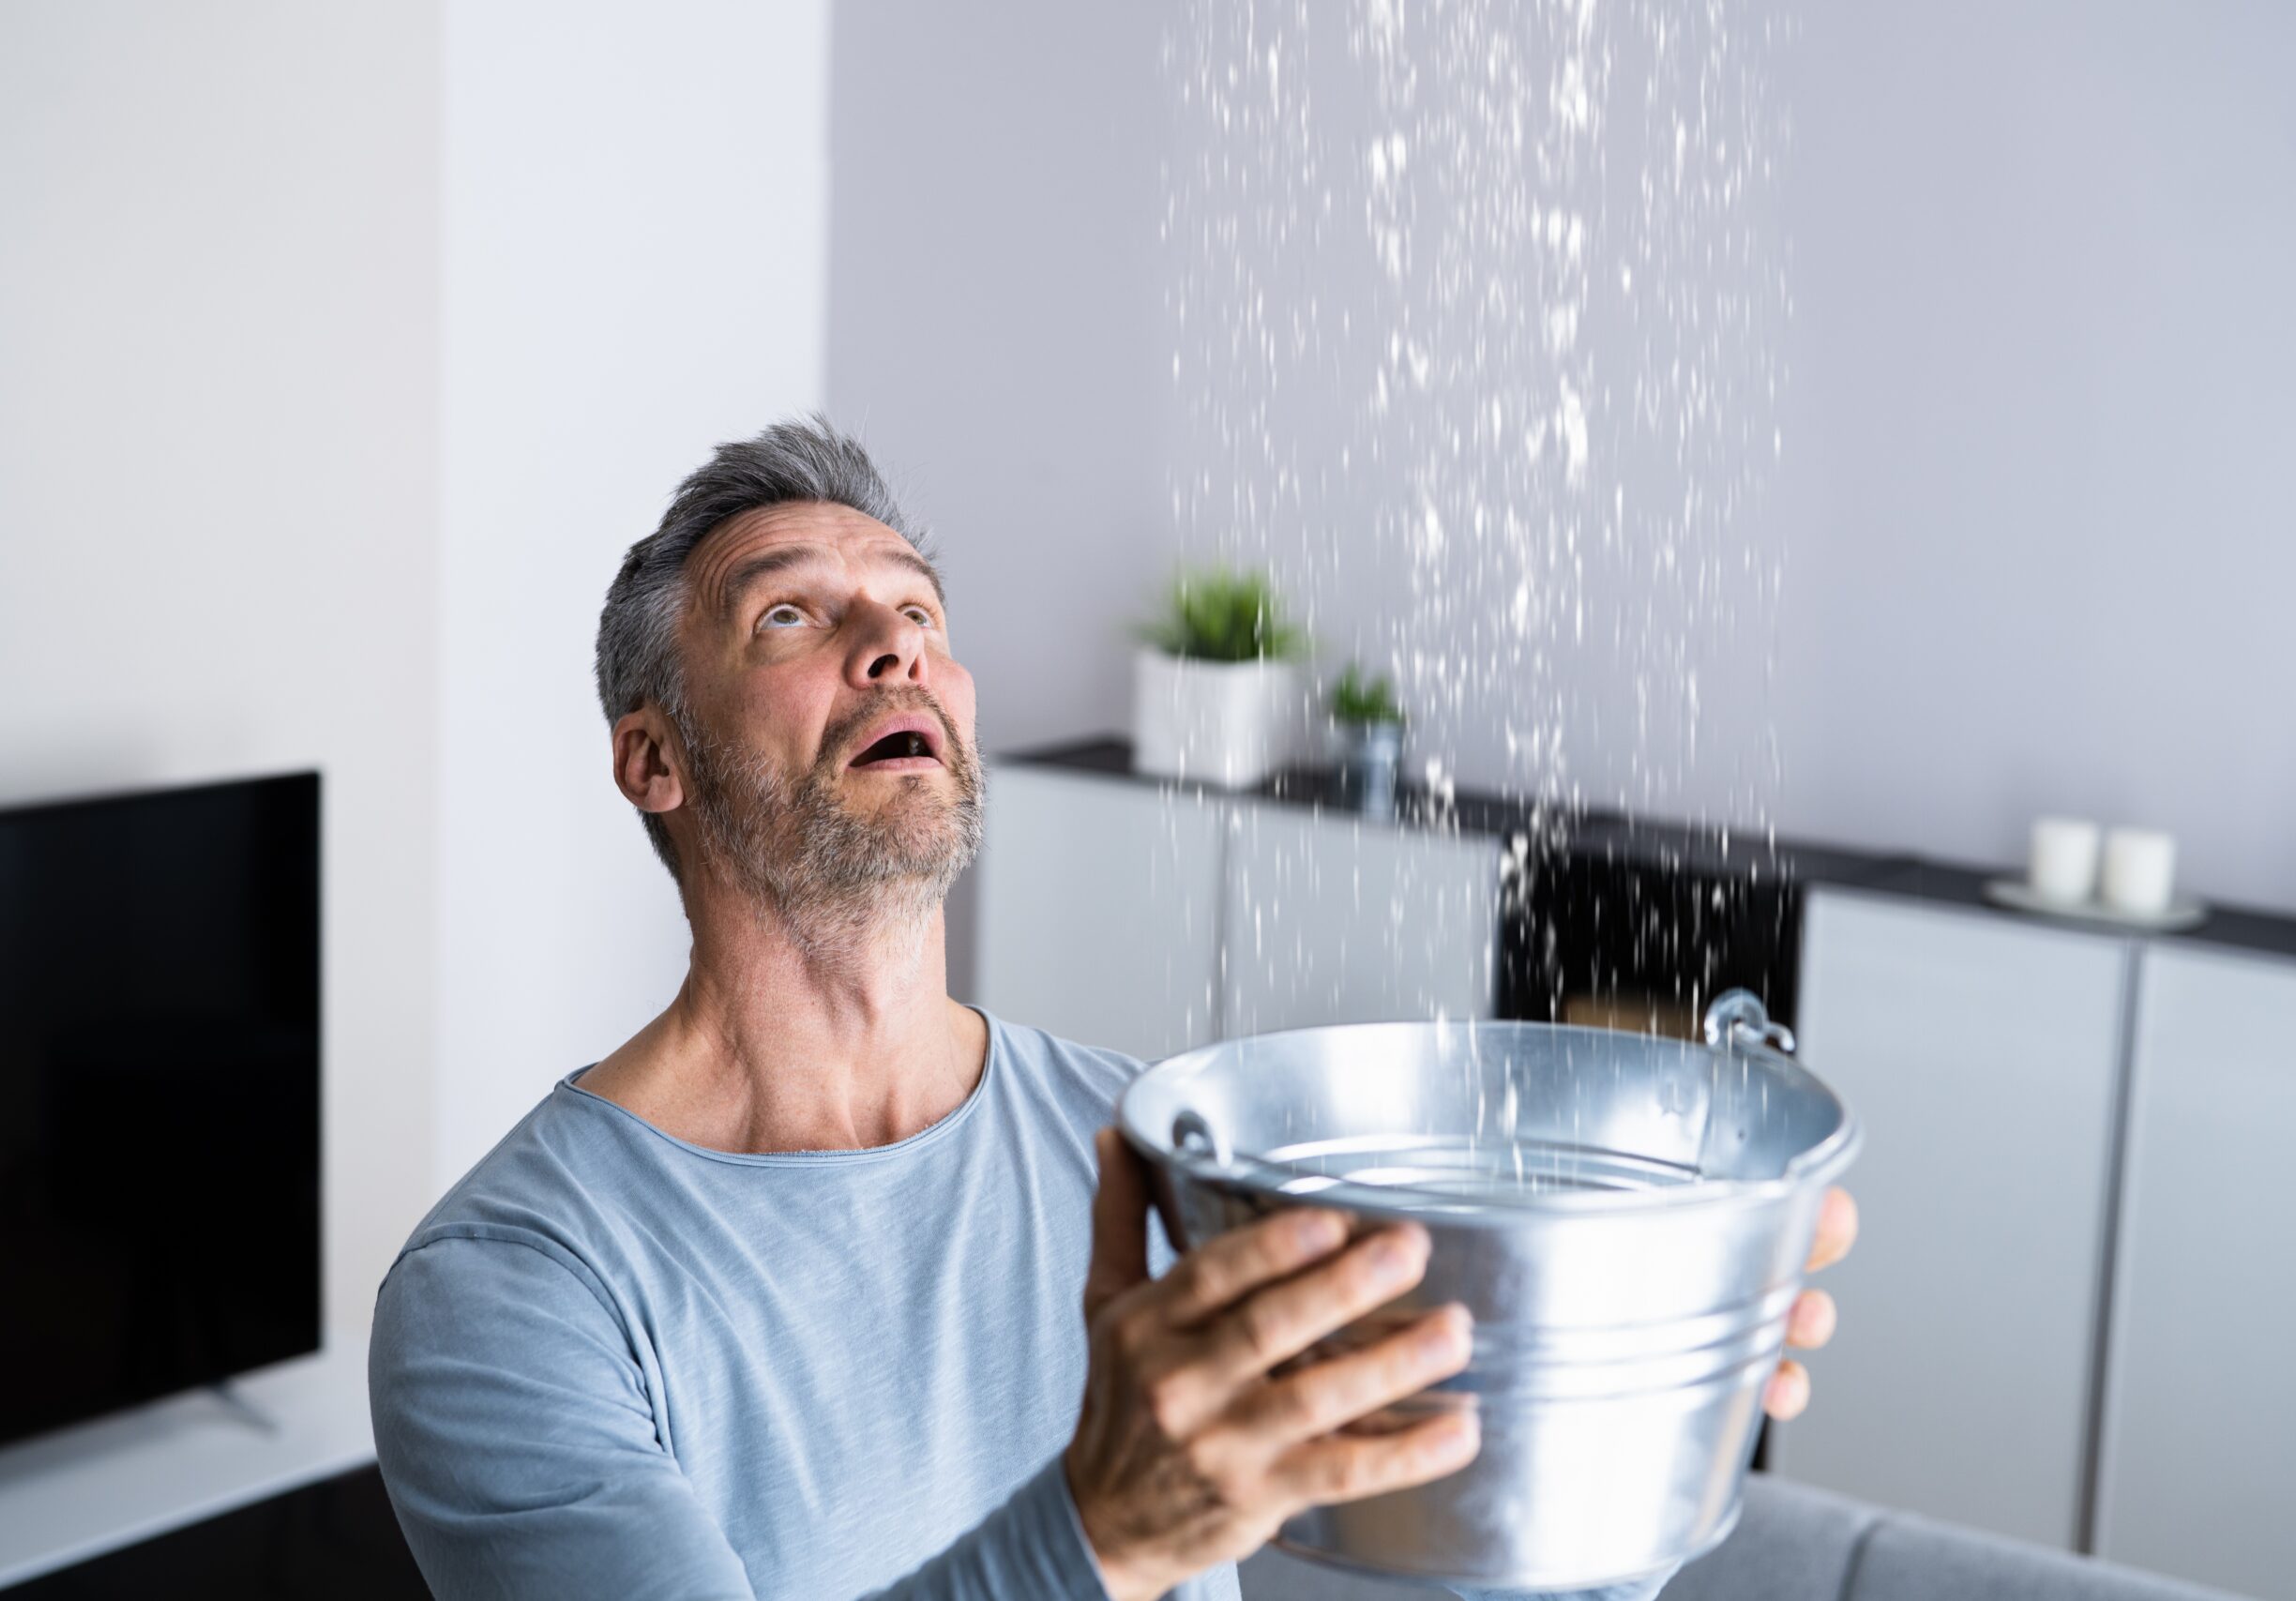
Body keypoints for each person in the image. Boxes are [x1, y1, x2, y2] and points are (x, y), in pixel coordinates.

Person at [368, 417, 1857, 1601]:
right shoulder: (510, 1295)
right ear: (654, 760)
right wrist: (1100, 1538)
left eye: (916, 609)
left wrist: (1625, 1412)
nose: (891, 647)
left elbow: (1471, 1551)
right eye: (790, 617)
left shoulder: (1147, 1150)